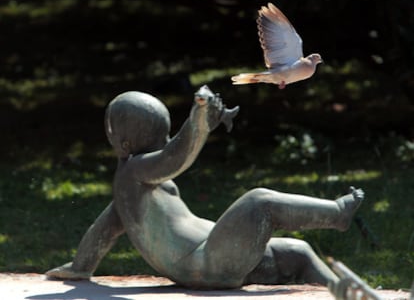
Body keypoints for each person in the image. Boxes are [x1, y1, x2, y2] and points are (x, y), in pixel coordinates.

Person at [46, 86, 364, 289]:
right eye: (160, 138)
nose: (165, 144)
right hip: (206, 263)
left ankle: (344, 292)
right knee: (260, 201)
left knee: (298, 252)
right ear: (128, 144)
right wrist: (198, 119)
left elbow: (100, 232)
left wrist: (80, 267)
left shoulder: (128, 197)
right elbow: (175, 157)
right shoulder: (134, 171)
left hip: (220, 256)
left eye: (167, 135)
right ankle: (337, 214)